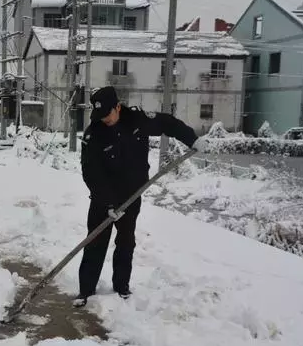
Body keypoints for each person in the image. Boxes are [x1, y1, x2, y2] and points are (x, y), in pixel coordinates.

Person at [73, 86, 205, 307]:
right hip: (102, 199)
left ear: (117, 106)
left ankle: (121, 288)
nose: (104, 119)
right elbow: (91, 173)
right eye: (100, 115)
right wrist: (107, 203)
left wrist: (191, 139)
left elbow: (167, 123)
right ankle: (85, 291)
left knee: (126, 242)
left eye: (107, 114)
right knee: (95, 242)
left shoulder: (137, 119)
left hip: (131, 195)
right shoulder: (93, 134)